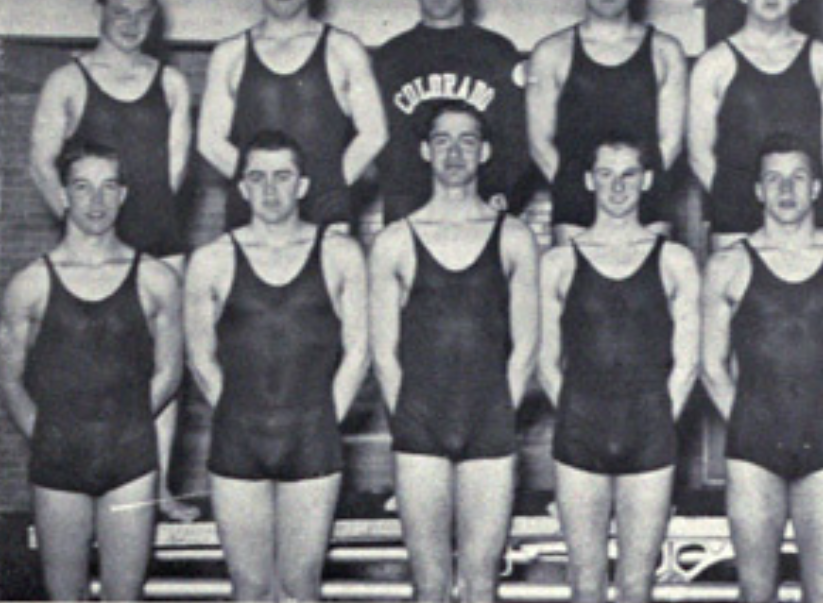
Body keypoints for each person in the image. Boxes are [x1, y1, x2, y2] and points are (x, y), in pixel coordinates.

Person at [28, 0, 196, 521]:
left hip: (159, 242)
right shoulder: (68, 80)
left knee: (166, 367)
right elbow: (41, 165)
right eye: (120, 12)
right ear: (98, 12)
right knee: (93, 365)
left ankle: (158, 488)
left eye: (142, 13)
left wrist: (143, 240)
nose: (131, 23)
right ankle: (80, 476)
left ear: (155, 16)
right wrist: (84, 227)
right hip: (91, 250)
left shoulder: (170, 82)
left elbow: (172, 174)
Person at [184, 131, 369, 600]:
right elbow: (200, 356)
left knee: (299, 586)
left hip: (312, 438)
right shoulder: (211, 260)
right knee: (249, 587)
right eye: (258, 178)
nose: (270, 190)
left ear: (302, 185)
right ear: (242, 188)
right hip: (239, 439)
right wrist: (238, 413)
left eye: (282, 177)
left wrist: (324, 417)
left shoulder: (339, 254)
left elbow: (359, 349)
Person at [369, 100, 539, 602]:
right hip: (421, 423)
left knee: (482, 586)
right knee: (429, 587)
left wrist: (497, 412)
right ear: (424, 151)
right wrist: (410, 419)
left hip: (489, 424)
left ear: (485, 152)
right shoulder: (395, 241)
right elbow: (384, 353)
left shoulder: (514, 237)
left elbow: (526, 344)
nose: (454, 152)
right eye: (442, 140)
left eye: (467, 140)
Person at [0, 142, 183, 599]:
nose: (96, 201)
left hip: (130, 459)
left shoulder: (156, 279)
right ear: (62, 195)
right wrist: (48, 432)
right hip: (59, 460)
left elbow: (169, 371)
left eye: (107, 188)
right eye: (82, 188)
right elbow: (10, 378)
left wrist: (128, 426)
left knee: (125, 596)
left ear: (123, 195)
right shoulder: (31, 284)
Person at [701, 133, 823, 603]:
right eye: (774, 179)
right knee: (755, 593)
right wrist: (747, 421)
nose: (786, 190)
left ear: (817, 187)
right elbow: (711, 365)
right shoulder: (728, 264)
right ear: (758, 190)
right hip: (755, 449)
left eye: (798, 178)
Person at [539, 136, 699, 603]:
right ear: (589, 181)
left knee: (636, 588)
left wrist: (652, 417)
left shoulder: (675, 261)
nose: (616, 186)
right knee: (585, 587)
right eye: (605, 175)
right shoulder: (559, 262)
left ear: (647, 181)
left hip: (648, 435)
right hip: (580, 435)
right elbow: (546, 363)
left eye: (628, 175)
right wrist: (579, 413)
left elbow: (687, 363)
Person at [198, 0, 388, 230]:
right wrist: (262, 189)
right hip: (251, 218)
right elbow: (209, 141)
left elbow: (374, 134)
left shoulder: (344, 49)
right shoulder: (229, 53)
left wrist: (329, 187)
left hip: (325, 214)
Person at [527, 0, 688, 245]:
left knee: (648, 291)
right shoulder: (551, 52)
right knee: (577, 291)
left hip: (646, 204)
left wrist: (630, 193)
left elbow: (670, 143)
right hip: (576, 206)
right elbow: (539, 144)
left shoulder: (666, 51)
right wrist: (581, 192)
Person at [688, 0, 823, 250]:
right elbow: (699, 153)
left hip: (805, 214)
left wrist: (795, 204)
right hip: (736, 215)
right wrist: (736, 201)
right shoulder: (714, 63)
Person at [374, 0, 531, 223]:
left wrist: (503, 192)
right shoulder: (391, 57)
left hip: (481, 204)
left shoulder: (497, 53)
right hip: (410, 208)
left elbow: (519, 137)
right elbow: (377, 141)